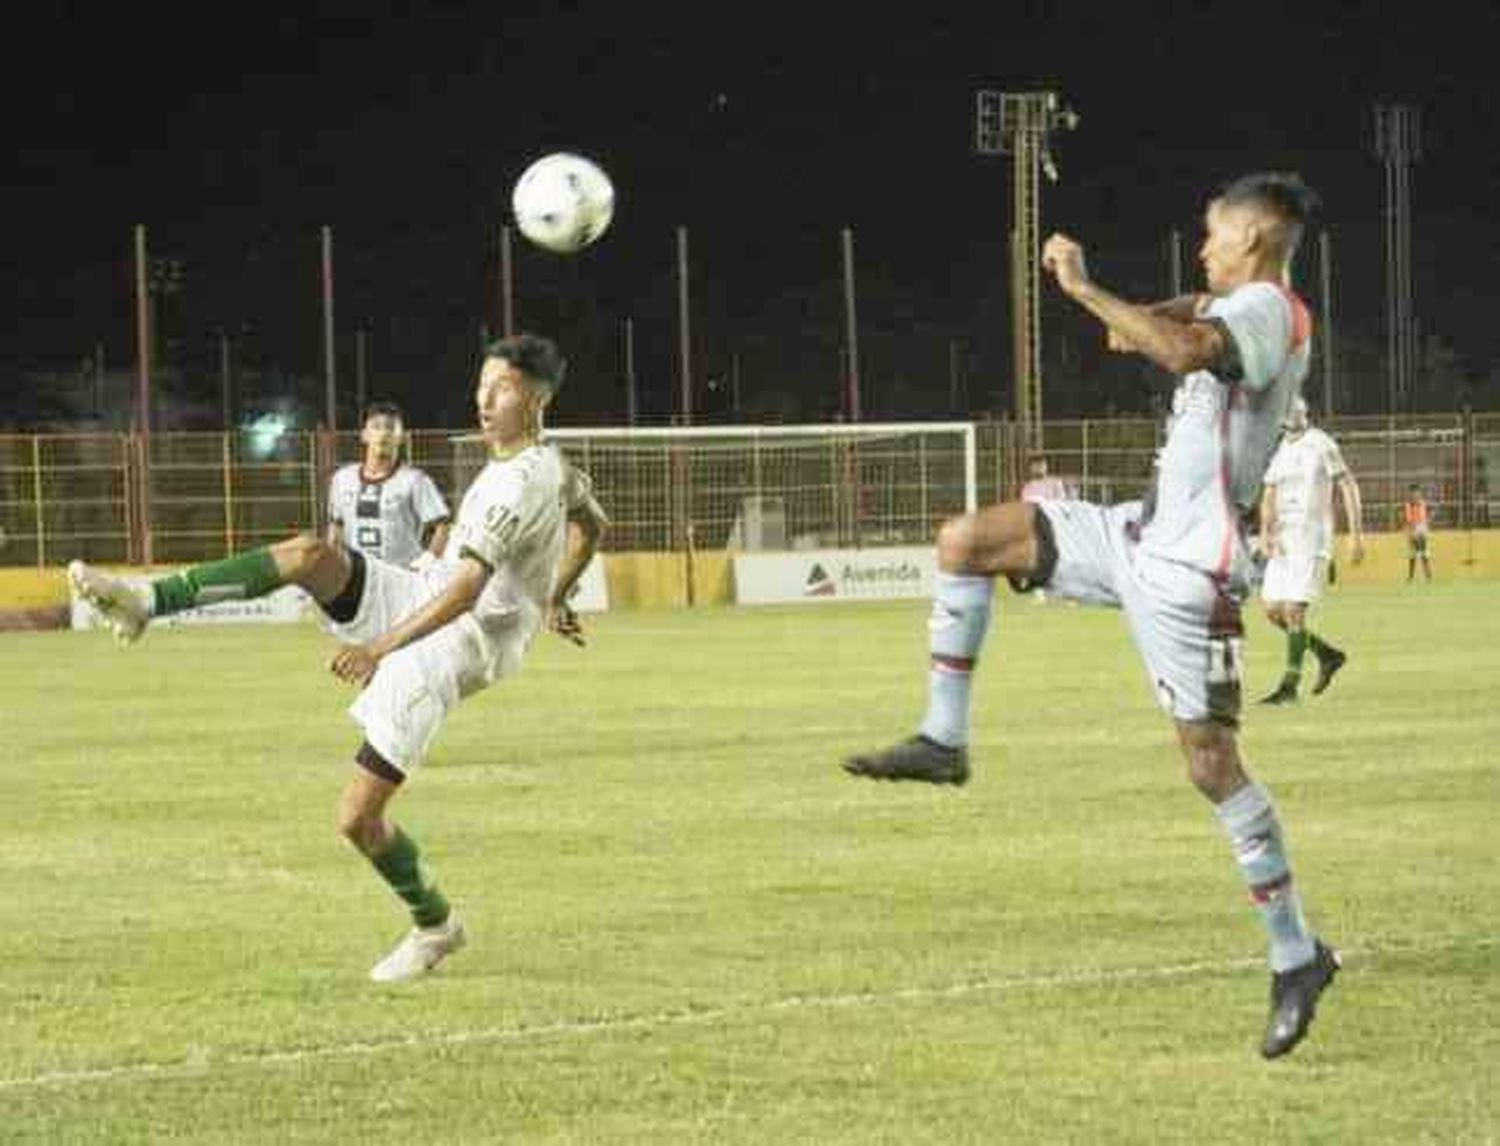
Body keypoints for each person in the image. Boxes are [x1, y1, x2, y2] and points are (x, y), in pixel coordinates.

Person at [845, 173, 1339, 1059]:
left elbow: (1188, 350)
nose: (1202, 250)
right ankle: (943, 741)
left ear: (1255, 245)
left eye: (1212, 236)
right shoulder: (1238, 300)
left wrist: (1081, 287)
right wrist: (1123, 306)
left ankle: (1296, 955)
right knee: (967, 541)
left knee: (1213, 764)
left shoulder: (1268, 310)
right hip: (1133, 537)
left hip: (1193, 574)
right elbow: (1163, 325)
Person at [69, 334, 609, 982]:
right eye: (482, 383)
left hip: (458, 644)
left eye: (503, 389)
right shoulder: (551, 465)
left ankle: (435, 925)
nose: (484, 399)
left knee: (358, 818)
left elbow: (468, 592)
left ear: (539, 398)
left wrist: (377, 648)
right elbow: (592, 521)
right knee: (309, 555)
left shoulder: (517, 487)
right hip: (427, 592)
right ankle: (143, 601)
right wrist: (556, 593)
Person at [1256, 396, 1365, 704]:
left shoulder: (1321, 443)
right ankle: (1328, 655)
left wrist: (1356, 534)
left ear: (1305, 412)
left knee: (1293, 610)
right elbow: (1269, 494)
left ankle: (1289, 687)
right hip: (1284, 540)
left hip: (1312, 537)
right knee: (1273, 611)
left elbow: (1347, 484)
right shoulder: (1281, 449)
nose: (1295, 415)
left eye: (1298, 409)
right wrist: (1265, 533)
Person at [327, 401, 451, 567]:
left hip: (401, 579)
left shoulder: (415, 480)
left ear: (400, 437)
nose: (384, 433)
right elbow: (336, 526)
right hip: (359, 578)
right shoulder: (342, 479)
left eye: (391, 427)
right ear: (364, 435)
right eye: (376, 427)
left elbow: (442, 527)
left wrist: (425, 563)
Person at [1018, 457, 1072, 602]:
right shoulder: (1027, 488)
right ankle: (1039, 591)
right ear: (1031, 468)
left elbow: (1063, 504)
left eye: (1042, 466)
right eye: (1036, 466)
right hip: (1038, 529)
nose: (1039, 469)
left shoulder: (1055, 483)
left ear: (1046, 467)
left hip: (1055, 527)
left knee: (1062, 560)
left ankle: (1066, 592)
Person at [1402, 484, 1433, 582]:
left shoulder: (1423, 504)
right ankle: (1411, 576)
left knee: (1424, 553)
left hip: (1422, 529)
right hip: (1412, 529)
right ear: (1410, 494)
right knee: (1412, 555)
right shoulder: (1408, 505)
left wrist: (1424, 527)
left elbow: (1424, 518)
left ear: (1420, 493)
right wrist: (1411, 531)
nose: (1415, 495)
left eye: (1417, 493)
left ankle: (1427, 575)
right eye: (1413, 493)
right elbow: (1408, 519)